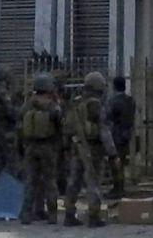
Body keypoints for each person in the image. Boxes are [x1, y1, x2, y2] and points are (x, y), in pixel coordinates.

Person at [17, 75, 69, 226]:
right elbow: (61, 126)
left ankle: (27, 214)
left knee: (30, 181)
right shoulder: (52, 106)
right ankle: (52, 215)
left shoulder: (26, 106)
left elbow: (19, 129)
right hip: (48, 148)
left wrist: (20, 148)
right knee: (50, 182)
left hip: (30, 148)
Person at [64, 72, 111, 228]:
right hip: (93, 148)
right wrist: (112, 152)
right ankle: (93, 216)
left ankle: (69, 214)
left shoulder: (76, 102)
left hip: (77, 146)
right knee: (93, 182)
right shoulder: (95, 104)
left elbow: (68, 127)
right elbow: (103, 130)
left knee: (74, 181)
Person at [103, 76, 140, 198]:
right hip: (126, 134)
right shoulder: (130, 101)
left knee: (115, 162)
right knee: (122, 162)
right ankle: (120, 187)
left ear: (114, 86)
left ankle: (117, 188)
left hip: (115, 135)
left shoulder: (113, 101)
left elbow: (107, 118)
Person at [0, 71, 24, 182]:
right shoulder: (2, 91)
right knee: (11, 157)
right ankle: (10, 182)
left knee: (0, 157)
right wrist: (21, 115)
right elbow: (10, 109)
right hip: (6, 128)